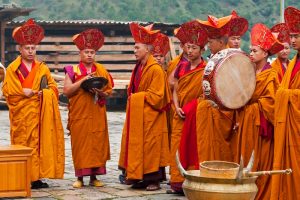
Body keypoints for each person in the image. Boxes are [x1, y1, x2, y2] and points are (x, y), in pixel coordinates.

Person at [2, 19, 65, 189]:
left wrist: (45, 94)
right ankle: (23, 175)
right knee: (23, 144)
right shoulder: (14, 69)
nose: (30, 51)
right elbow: (8, 92)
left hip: (39, 112)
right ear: (20, 49)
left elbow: (53, 87)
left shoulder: (42, 68)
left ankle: (36, 177)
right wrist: (23, 92)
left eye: (33, 48)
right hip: (22, 116)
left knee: (38, 145)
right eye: (27, 48)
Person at [231, 23, 282, 200]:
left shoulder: (271, 74)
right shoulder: (248, 71)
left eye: (254, 51)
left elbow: (272, 103)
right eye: (250, 51)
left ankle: (261, 194)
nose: (250, 54)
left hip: (261, 126)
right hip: (245, 122)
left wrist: (253, 106)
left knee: (259, 161)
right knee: (244, 158)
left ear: (266, 53)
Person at [118, 22, 171, 191]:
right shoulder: (139, 67)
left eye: (137, 48)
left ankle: (154, 179)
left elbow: (157, 97)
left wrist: (137, 98)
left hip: (152, 115)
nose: (134, 51)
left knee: (151, 147)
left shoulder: (155, 69)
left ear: (147, 49)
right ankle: (138, 176)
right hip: (139, 115)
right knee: (139, 146)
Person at [63, 29, 113, 188]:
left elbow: (109, 92)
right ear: (80, 53)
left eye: (92, 52)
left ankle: (94, 177)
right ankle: (80, 178)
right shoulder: (72, 71)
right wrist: (83, 80)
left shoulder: (101, 70)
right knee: (80, 145)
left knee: (97, 144)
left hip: (97, 114)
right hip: (80, 115)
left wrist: (101, 93)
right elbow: (67, 91)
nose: (90, 55)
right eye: (86, 52)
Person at [168, 20, 208, 194]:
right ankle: (176, 182)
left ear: (202, 50)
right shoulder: (181, 67)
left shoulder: (205, 68)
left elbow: (206, 94)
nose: (190, 51)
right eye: (188, 47)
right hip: (179, 114)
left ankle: (191, 181)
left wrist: (192, 107)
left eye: (194, 48)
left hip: (195, 114)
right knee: (176, 145)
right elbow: (175, 89)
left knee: (193, 146)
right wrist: (176, 106)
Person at [271, 6, 300, 200]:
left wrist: (286, 94)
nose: (293, 40)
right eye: (292, 36)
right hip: (291, 125)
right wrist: (285, 94)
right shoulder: (293, 62)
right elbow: (283, 90)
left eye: (297, 36)